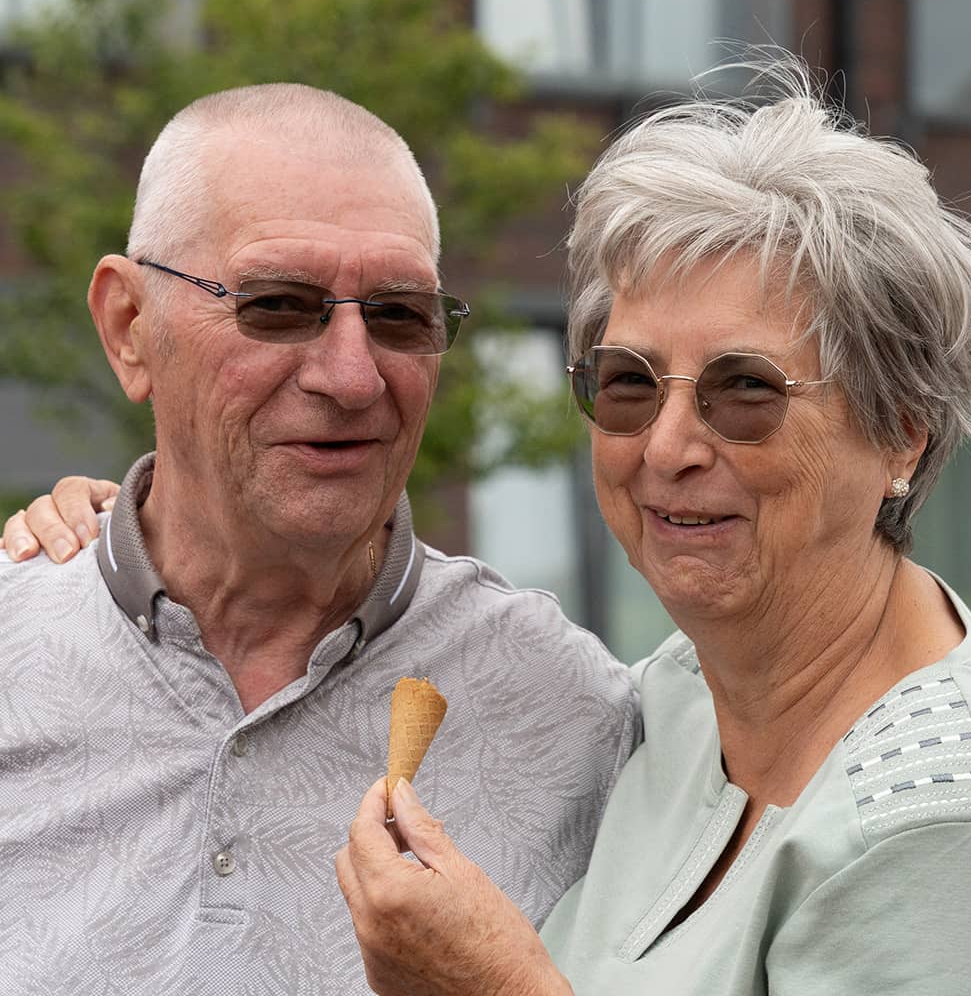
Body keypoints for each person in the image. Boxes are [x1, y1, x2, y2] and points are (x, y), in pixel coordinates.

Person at [331, 59, 971, 994]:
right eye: (627, 382)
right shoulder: (689, 689)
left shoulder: (937, 821)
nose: (666, 447)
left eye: (745, 389)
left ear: (902, 432)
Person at [0, 83, 638, 995]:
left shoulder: (579, 716)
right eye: (279, 306)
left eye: (397, 317)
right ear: (130, 328)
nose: (350, 376)